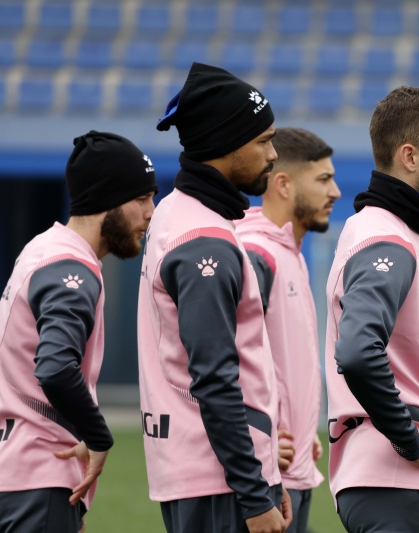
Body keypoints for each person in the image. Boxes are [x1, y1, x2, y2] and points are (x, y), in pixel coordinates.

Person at [0, 131, 158, 532]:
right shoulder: (70, 267)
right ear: (107, 199)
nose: (151, 212)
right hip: (36, 472)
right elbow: (55, 367)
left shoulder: (44, 248)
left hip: (20, 474)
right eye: (141, 199)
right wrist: (99, 436)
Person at [138, 62, 291, 533]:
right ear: (225, 145)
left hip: (212, 475)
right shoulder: (204, 238)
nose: (274, 154)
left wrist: (267, 472)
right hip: (219, 482)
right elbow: (215, 379)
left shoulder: (175, 212)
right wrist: (253, 492)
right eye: (263, 141)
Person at [324, 86, 419, 532]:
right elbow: (356, 351)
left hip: (382, 479)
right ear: (410, 156)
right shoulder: (386, 237)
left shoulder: (381, 230)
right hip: (398, 483)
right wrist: (408, 440)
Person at [238, 127, 341, 533]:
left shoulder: (288, 252)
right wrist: (255, 438)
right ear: (282, 184)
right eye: (322, 179)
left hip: (295, 466)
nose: (334, 191)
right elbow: (224, 361)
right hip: (267, 476)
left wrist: (300, 427)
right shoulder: (255, 254)